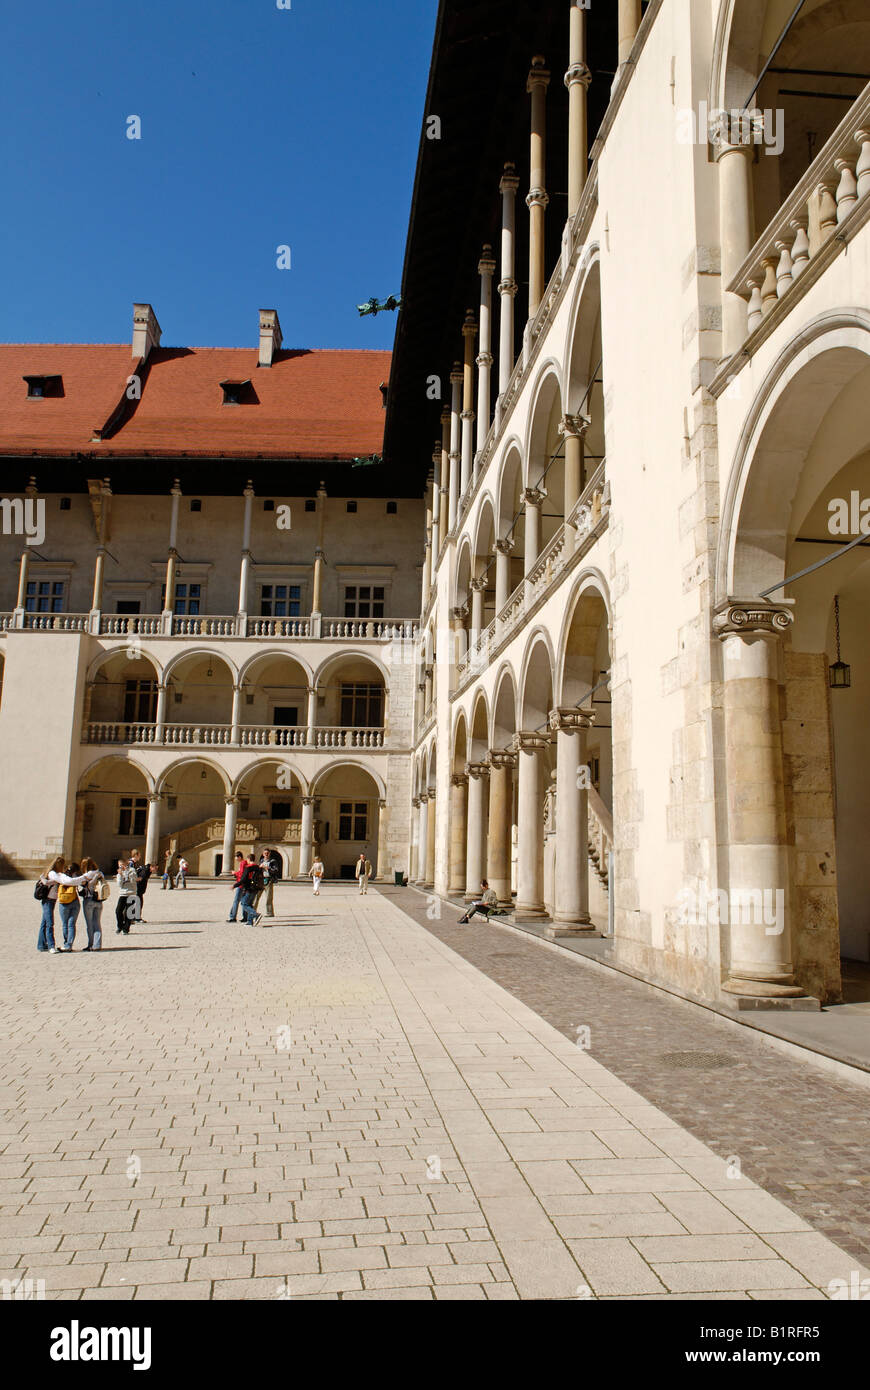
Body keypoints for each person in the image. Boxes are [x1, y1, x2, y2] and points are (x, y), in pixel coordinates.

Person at [35, 856, 93, 953]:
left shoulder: (58, 874)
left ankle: (41, 944)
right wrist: (83, 878)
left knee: (45, 922)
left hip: (53, 900)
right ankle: (51, 946)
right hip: (48, 900)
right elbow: (53, 882)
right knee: (50, 923)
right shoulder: (53, 874)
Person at [79, 857, 107, 951]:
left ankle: (90, 944)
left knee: (90, 924)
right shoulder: (100, 873)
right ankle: (97, 944)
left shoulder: (87, 875)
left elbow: (88, 885)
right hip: (99, 899)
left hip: (89, 899)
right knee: (97, 923)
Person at [227, 852, 253, 922]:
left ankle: (233, 917)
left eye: (236, 857)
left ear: (239, 857)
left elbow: (241, 874)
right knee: (243, 901)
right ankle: (245, 917)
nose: (235, 859)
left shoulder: (243, 863)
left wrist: (235, 873)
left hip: (241, 884)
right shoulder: (244, 863)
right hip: (243, 884)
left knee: (236, 901)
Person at [115, 858, 139, 935]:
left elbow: (133, 880)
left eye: (122, 865)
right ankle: (120, 926)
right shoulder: (119, 873)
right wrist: (120, 875)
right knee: (118, 911)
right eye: (119, 865)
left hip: (131, 893)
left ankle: (126, 929)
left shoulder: (132, 870)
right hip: (123, 893)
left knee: (129, 912)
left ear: (126, 864)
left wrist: (127, 874)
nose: (121, 867)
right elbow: (119, 884)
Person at [239, 858, 264, 926]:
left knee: (244, 903)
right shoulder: (258, 867)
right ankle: (250, 921)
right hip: (256, 888)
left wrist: (236, 885)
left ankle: (256, 914)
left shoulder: (248, 868)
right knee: (250, 904)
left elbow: (243, 879)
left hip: (249, 888)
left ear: (248, 859)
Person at [130, 850, 152, 921]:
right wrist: (136, 878)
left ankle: (133, 917)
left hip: (134, 885)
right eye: (139, 855)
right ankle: (135, 917)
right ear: (136, 855)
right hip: (133, 885)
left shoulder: (134, 863)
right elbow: (130, 874)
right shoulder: (131, 863)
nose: (140, 857)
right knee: (137, 901)